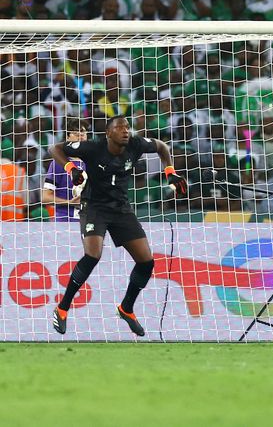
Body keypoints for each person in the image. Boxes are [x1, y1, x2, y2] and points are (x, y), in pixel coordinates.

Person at [50, 116, 187, 337]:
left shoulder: (136, 144)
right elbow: (55, 148)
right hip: (94, 206)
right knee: (93, 255)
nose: (125, 131)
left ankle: (126, 308)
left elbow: (162, 146)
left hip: (121, 208)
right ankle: (63, 307)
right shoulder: (93, 147)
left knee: (146, 262)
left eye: (127, 127)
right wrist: (71, 168)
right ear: (108, 133)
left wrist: (170, 172)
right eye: (119, 127)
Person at [42, 118, 88, 222]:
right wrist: (69, 202)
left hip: (89, 221)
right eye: (76, 133)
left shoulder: (92, 162)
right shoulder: (60, 163)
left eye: (83, 133)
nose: (81, 136)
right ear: (67, 137)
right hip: (65, 220)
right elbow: (45, 197)